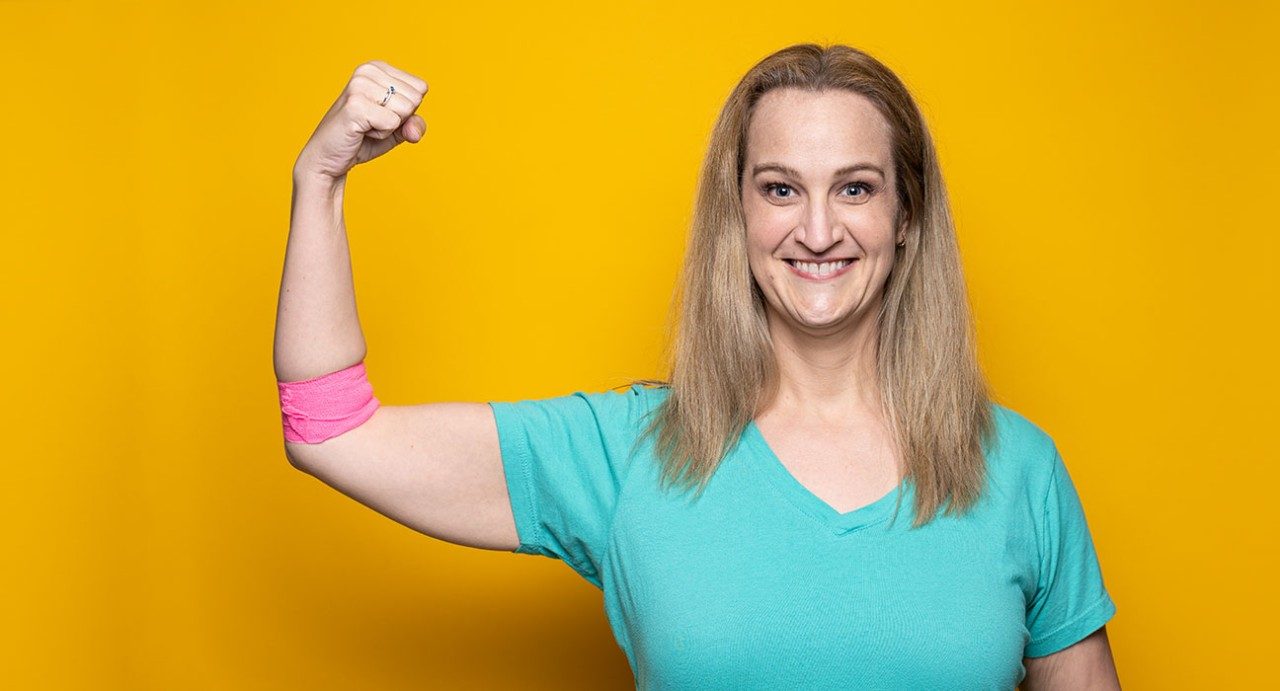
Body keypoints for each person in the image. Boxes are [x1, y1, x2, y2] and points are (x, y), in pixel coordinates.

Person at [274, 44, 1121, 689]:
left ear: (907, 217)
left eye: (856, 188)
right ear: (737, 213)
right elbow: (330, 429)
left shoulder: (1019, 469)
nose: (818, 230)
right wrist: (321, 181)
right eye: (780, 189)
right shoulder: (628, 452)